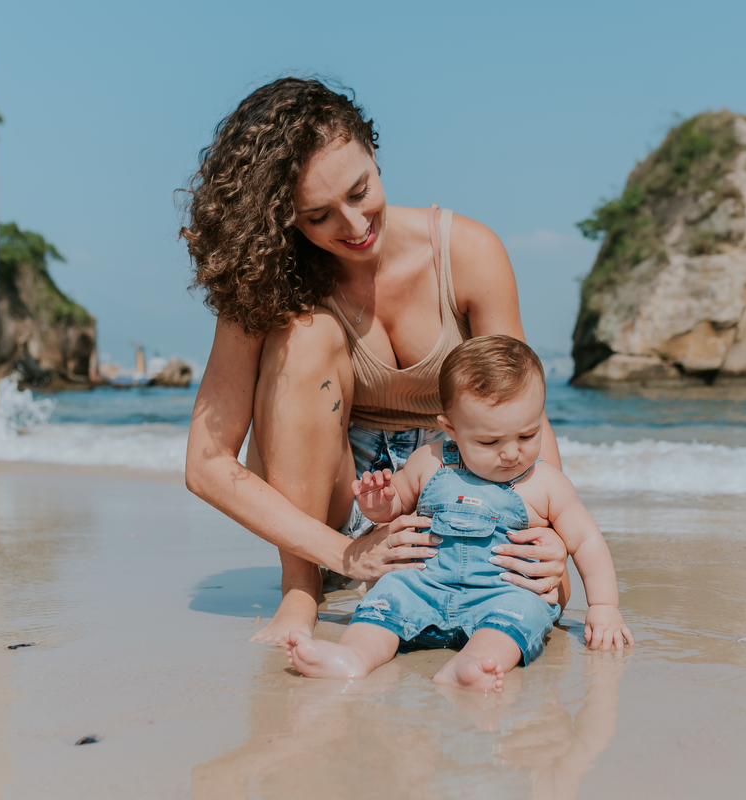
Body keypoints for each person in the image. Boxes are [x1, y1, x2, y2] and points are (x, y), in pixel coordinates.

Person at [181, 77, 569, 645]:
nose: (355, 226)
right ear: (283, 218)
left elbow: (521, 407)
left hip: (465, 501)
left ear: (373, 153)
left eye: (360, 192)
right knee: (306, 334)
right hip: (332, 516)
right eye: (318, 216)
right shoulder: (264, 279)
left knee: (542, 595)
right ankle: (301, 591)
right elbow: (205, 463)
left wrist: (550, 534)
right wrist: (346, 553)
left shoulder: (467, 253)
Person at [286, 336, 633, 692]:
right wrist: (377, 503)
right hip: (423, 584)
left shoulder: (546, 483)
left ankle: (470, 665)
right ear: (450, 428)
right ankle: (354, 657)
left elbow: (587, 541)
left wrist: (604, 605)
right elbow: (395, 506)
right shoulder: (430, 462)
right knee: (386, 596)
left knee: (524, 612)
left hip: (502, 592)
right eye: (490, 442)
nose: (512, 453)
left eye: (528, 435)